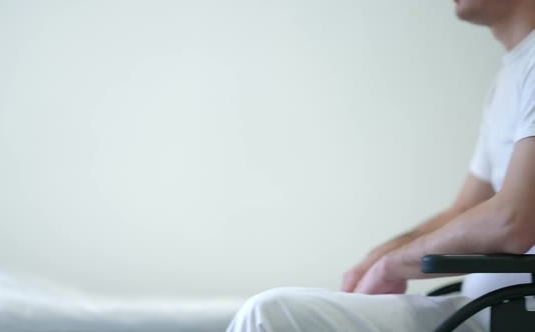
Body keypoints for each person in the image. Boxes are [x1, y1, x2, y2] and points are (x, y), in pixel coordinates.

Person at [226, 0, 535, 331]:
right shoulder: (508, 77)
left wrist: (394, 265)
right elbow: (464, 209)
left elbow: (511, 222)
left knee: (270, 313)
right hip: (483, 311)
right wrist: (378, 258)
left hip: (511, 316)